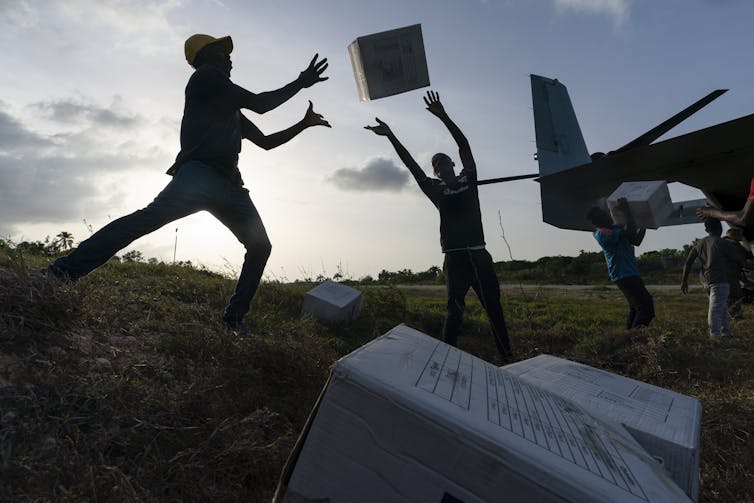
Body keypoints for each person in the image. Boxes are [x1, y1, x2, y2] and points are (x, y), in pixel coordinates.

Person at [45, 34, 331, 336]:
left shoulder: (230, 107)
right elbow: (261, 104)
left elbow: (267, 142)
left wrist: (304, 123)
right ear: (204, 55)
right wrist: (301, 81)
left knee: (260, 247)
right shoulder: (205, 78)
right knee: (145, 220)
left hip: (230, 186)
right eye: (222, 52)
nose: (229, 58)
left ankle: (234, 319)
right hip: (199, 176)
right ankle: (60, 272)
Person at [364, 90, 513, 361]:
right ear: (434, 171)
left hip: (479, 255)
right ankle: (447, 360)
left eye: (444, 160)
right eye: (436, 163)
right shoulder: (435, 189)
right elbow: (411, 165)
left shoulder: (470, 179)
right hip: (454, 259)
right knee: (454, 310)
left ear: (453, 165)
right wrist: (391, 136)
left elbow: (464, 145)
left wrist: (443, 116)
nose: (441, 163)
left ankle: (507, 357)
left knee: (494, 309)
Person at [586, 200, 654, 329]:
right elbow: (629, 232)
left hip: (629, 273)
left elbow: (636, 240)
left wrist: (645, 223)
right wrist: (627, 210)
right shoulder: (602, 233)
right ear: (596, 222)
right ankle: (635, 338)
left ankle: (629, 337)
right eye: (602, 216)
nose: (607, 216)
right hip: (624, 274)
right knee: (646, 309)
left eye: (606, 214)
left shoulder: (616, 228)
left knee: (636, 308)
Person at [681, 219, 744, 337]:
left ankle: (727, 333)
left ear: (706, 229)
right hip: (720, 280)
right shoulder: (721, 243)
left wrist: (684, 281)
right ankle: (715, 335)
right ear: (720, 228)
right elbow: (739, 258)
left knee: (722, 308)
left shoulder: (699, 243)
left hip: (705, 281)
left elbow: (688, 263)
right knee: (715, 309)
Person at [722, 227, 749, 319]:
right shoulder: (735, 245)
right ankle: (736, 317)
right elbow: (743, 261)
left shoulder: (721, 242)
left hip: (719, 275)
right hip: (731, 275)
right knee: (735, 296)